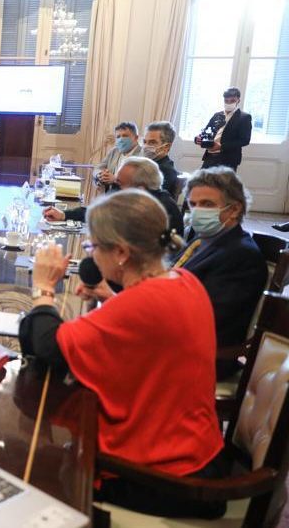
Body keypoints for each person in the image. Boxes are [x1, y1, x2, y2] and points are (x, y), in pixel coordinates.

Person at [21, 190, 227, 519]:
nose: (91, 254)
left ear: (120, 252)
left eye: (93, 247)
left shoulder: (142, 303)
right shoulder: (184, 280)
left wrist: (43, 289)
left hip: (166, 477)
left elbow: (49, 345)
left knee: (36, 472)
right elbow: (149, 329)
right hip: (199, 451)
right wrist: (112, 297)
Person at [173, 167, 267, 378]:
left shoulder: (242, 255)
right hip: (176, 341)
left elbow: (207, 318)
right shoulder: (203, 240)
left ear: (234, 209)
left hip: (202, 358)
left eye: (207, 204)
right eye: (193, 204)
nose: (197, 211)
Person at [44, 157, 183, 236]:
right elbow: (100, 211)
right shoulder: (137, 198)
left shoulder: (161, 211)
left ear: (140, 189)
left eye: (120, 184)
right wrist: (64, 215)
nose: (116, 189)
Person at [196, 88, 252, 171]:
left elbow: (245, 140)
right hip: (209, 157)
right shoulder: (217, 115)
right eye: (226, 101)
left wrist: (221, 146)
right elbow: (206, 131)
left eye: (232, 101)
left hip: (228, 159)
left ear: (238, 100)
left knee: (223, 180)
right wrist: (198, 138)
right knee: (202, 179)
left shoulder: (244, 117)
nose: (229, 103)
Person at [94, 122, 142, 191]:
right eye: (118, 137)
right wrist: (101, 175)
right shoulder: (114, 151)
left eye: (125, 136)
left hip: (129, 195)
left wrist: (116, 179)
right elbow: (98, 167)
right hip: (110, 193)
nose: (121, 139)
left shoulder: (143, 155)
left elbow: (141, 181)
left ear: (136, 138)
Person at [142, 121, 180, 198]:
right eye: (144, 142)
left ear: (167, 147)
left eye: (152, 142)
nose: (146, 146)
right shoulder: (150, 165)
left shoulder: (164, 170)